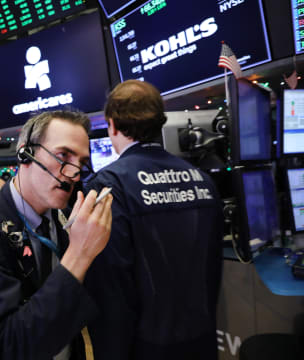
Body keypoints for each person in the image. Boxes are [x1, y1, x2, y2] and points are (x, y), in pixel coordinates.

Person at [0, 110, 113, 360]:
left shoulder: (67, 218)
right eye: (63, 155)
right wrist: (80, 253)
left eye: (82, 161)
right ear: (25, 153)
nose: (75, 172)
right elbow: (9, 345)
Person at [84, 80, 223, 360]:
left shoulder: (109, 184)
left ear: (111, 125)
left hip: (145, 348)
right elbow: (212, 267)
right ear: (160, 121)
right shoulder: (203, 180)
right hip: (203, 339)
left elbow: (112, 290)